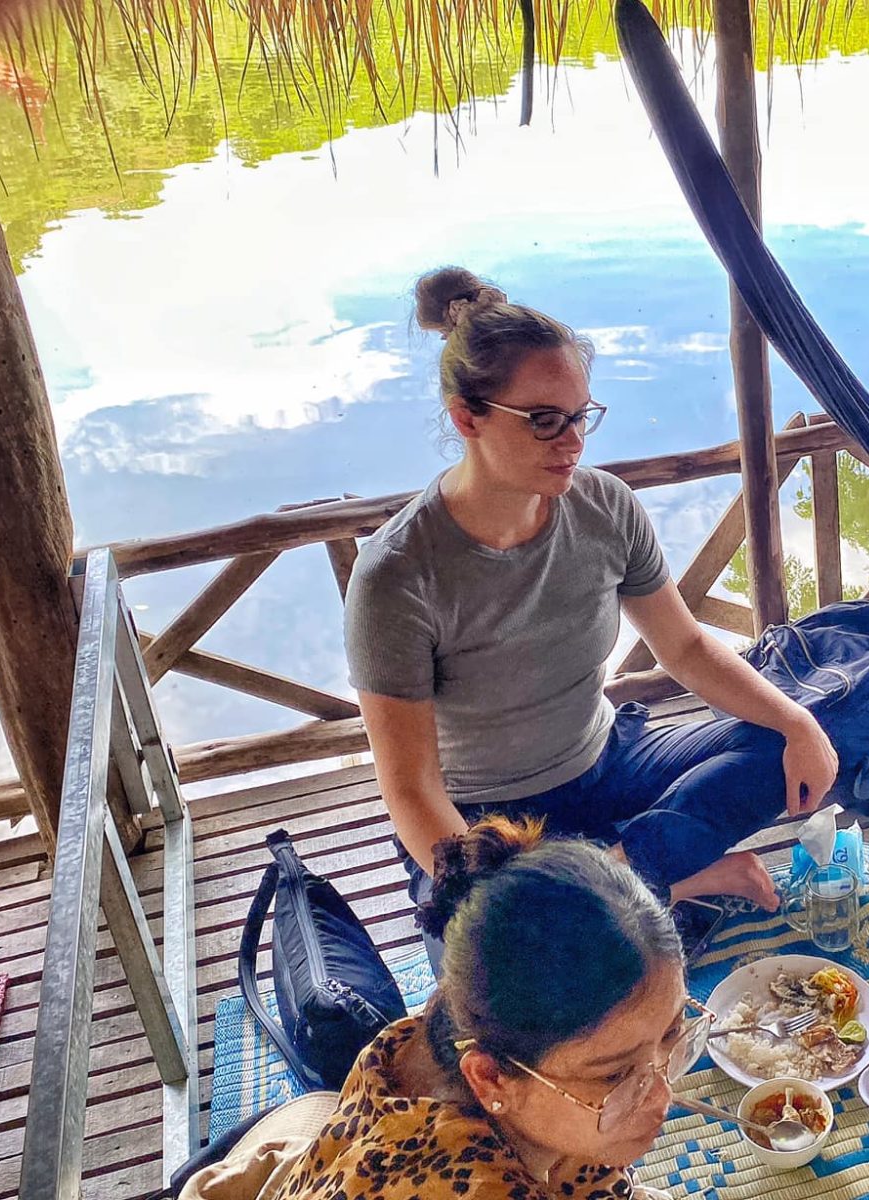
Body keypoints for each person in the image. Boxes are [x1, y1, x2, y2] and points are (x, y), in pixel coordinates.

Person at [346, 268, 838, 949]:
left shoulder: (605, 506)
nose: (573, 441)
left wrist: (795, 721)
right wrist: (495, 897)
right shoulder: (396, 575)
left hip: (609, 763)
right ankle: (669, 878)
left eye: (581, 416)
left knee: (805, 734)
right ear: (468, 418)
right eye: (545, 421)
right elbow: (410, 786)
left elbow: (686, 648)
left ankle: (611, 877)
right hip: (486, 819)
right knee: (509, 970)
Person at [266, 817, 704, 1200]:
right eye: (613, 1075)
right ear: (490, 1077)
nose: (664, 1097)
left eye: (672, 1030)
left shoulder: (459, 1022)